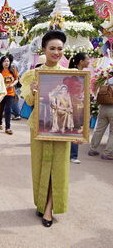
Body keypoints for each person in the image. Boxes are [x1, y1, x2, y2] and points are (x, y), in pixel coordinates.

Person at [21, 30, 81, 227]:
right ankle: (41, 202)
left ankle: (49, 209)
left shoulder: (72, 76)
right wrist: (33, 90)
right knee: (39, 166)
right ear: (44, 50)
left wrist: (79, 130)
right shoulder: (33, 74)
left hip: (62, 128)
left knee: (59, 169)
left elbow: (78, 104)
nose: (56, 52)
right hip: (39, 126)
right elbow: (29, 102)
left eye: (60, 49)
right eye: (52, 48)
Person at [88, 62, 113, 161]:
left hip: (103, 107)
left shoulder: (106, 80)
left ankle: (92, 149)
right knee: (112, 132)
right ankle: (108, 153)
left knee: (99, 129)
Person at [68, 52, 90, 163]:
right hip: (72, 105)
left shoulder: (83, 75)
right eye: (87, 59)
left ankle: (72, 155)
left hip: (78, 105)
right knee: (73, 128)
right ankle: (72, 155)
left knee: (75, 128)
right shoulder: (74, 74)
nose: (89, 61)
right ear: (81, 62)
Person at [0, 55, 18, 135]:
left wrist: (13, 85)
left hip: (10, 93)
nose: (6, 63)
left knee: (8, 110)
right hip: (1, 93)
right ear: (1, 62)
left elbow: (16, 79)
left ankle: (8, 128)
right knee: (1, 109)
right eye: (4, 61)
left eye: (8, 61)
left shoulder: (13, 70)